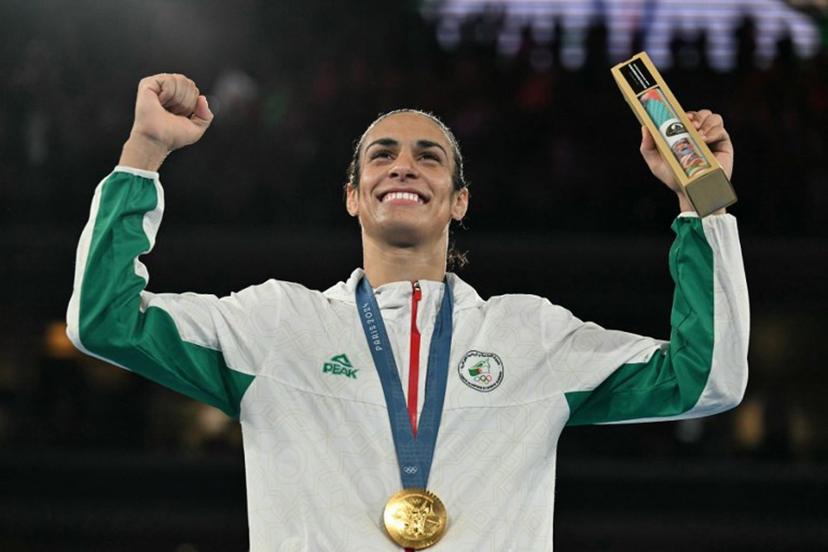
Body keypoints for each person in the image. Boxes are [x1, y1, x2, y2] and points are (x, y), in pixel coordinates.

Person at [66, 73, 749, 550]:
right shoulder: (276, 325)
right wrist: (145, 152)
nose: (403, 166)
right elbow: (105, 320)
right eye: (381, 155)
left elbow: (706, 376)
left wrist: (700, 197)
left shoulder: (533, 336)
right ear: (353, 196)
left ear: (459, 201)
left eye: (429, 157)